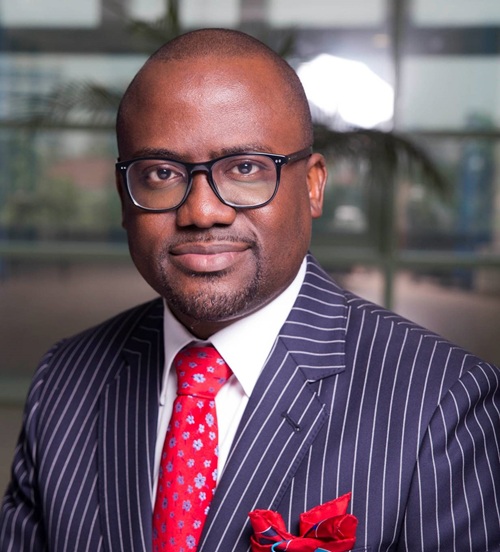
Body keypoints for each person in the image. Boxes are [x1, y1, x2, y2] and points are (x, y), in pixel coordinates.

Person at [1, 28, 499, 552]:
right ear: (125, 199)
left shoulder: (442, 402)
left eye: (245, 168)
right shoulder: (63, 380)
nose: (202, 212)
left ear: (313, 186)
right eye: (162, 173)